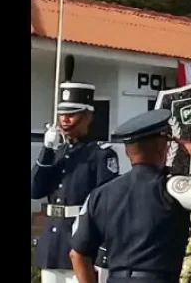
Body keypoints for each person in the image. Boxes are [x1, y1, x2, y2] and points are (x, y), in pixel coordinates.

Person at [68, 108, 191, 283]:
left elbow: (77, 254)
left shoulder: (101, 194)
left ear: (128, 152)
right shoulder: (171, 187)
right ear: (161, 146)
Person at [31, 81, 120, 283]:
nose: (65, 119)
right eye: (62, 114)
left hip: (82, 244)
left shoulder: (100, 155)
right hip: (53, 243)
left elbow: (106, 205)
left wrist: (102, 246)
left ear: (87, 116)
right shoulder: (57, 152)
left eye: (72, 114)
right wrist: (46, 151)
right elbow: (35, 190)